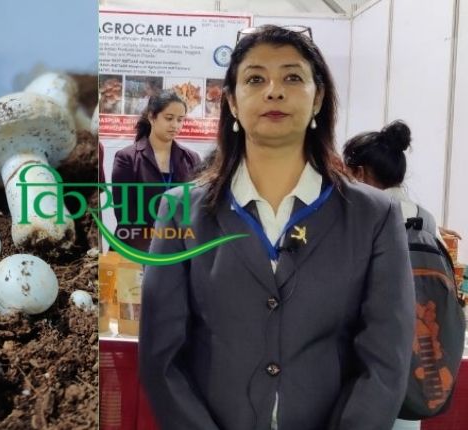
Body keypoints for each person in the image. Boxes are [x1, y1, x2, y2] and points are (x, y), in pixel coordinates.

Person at [138, 25, 415, 430]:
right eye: (254, 79)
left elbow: (385, 360)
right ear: (231, 101)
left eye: (292, 77)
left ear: (317, 96)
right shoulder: (180, 210)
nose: (274, 91)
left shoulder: (373, 216)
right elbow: (161, 358)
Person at [343, 120, 439, 430]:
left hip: (361, 348)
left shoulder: (359, 213)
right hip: (414, 347)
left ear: (358, 172)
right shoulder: (425, 217)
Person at [111, 90, 201, 252]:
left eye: (180, 120)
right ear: (152, 117)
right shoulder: (127, 158)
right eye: (169, 118)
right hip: (135, 250)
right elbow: (125, 215)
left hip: (177, 250)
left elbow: (195, 210)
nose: (175, 125)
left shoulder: (191, 159)